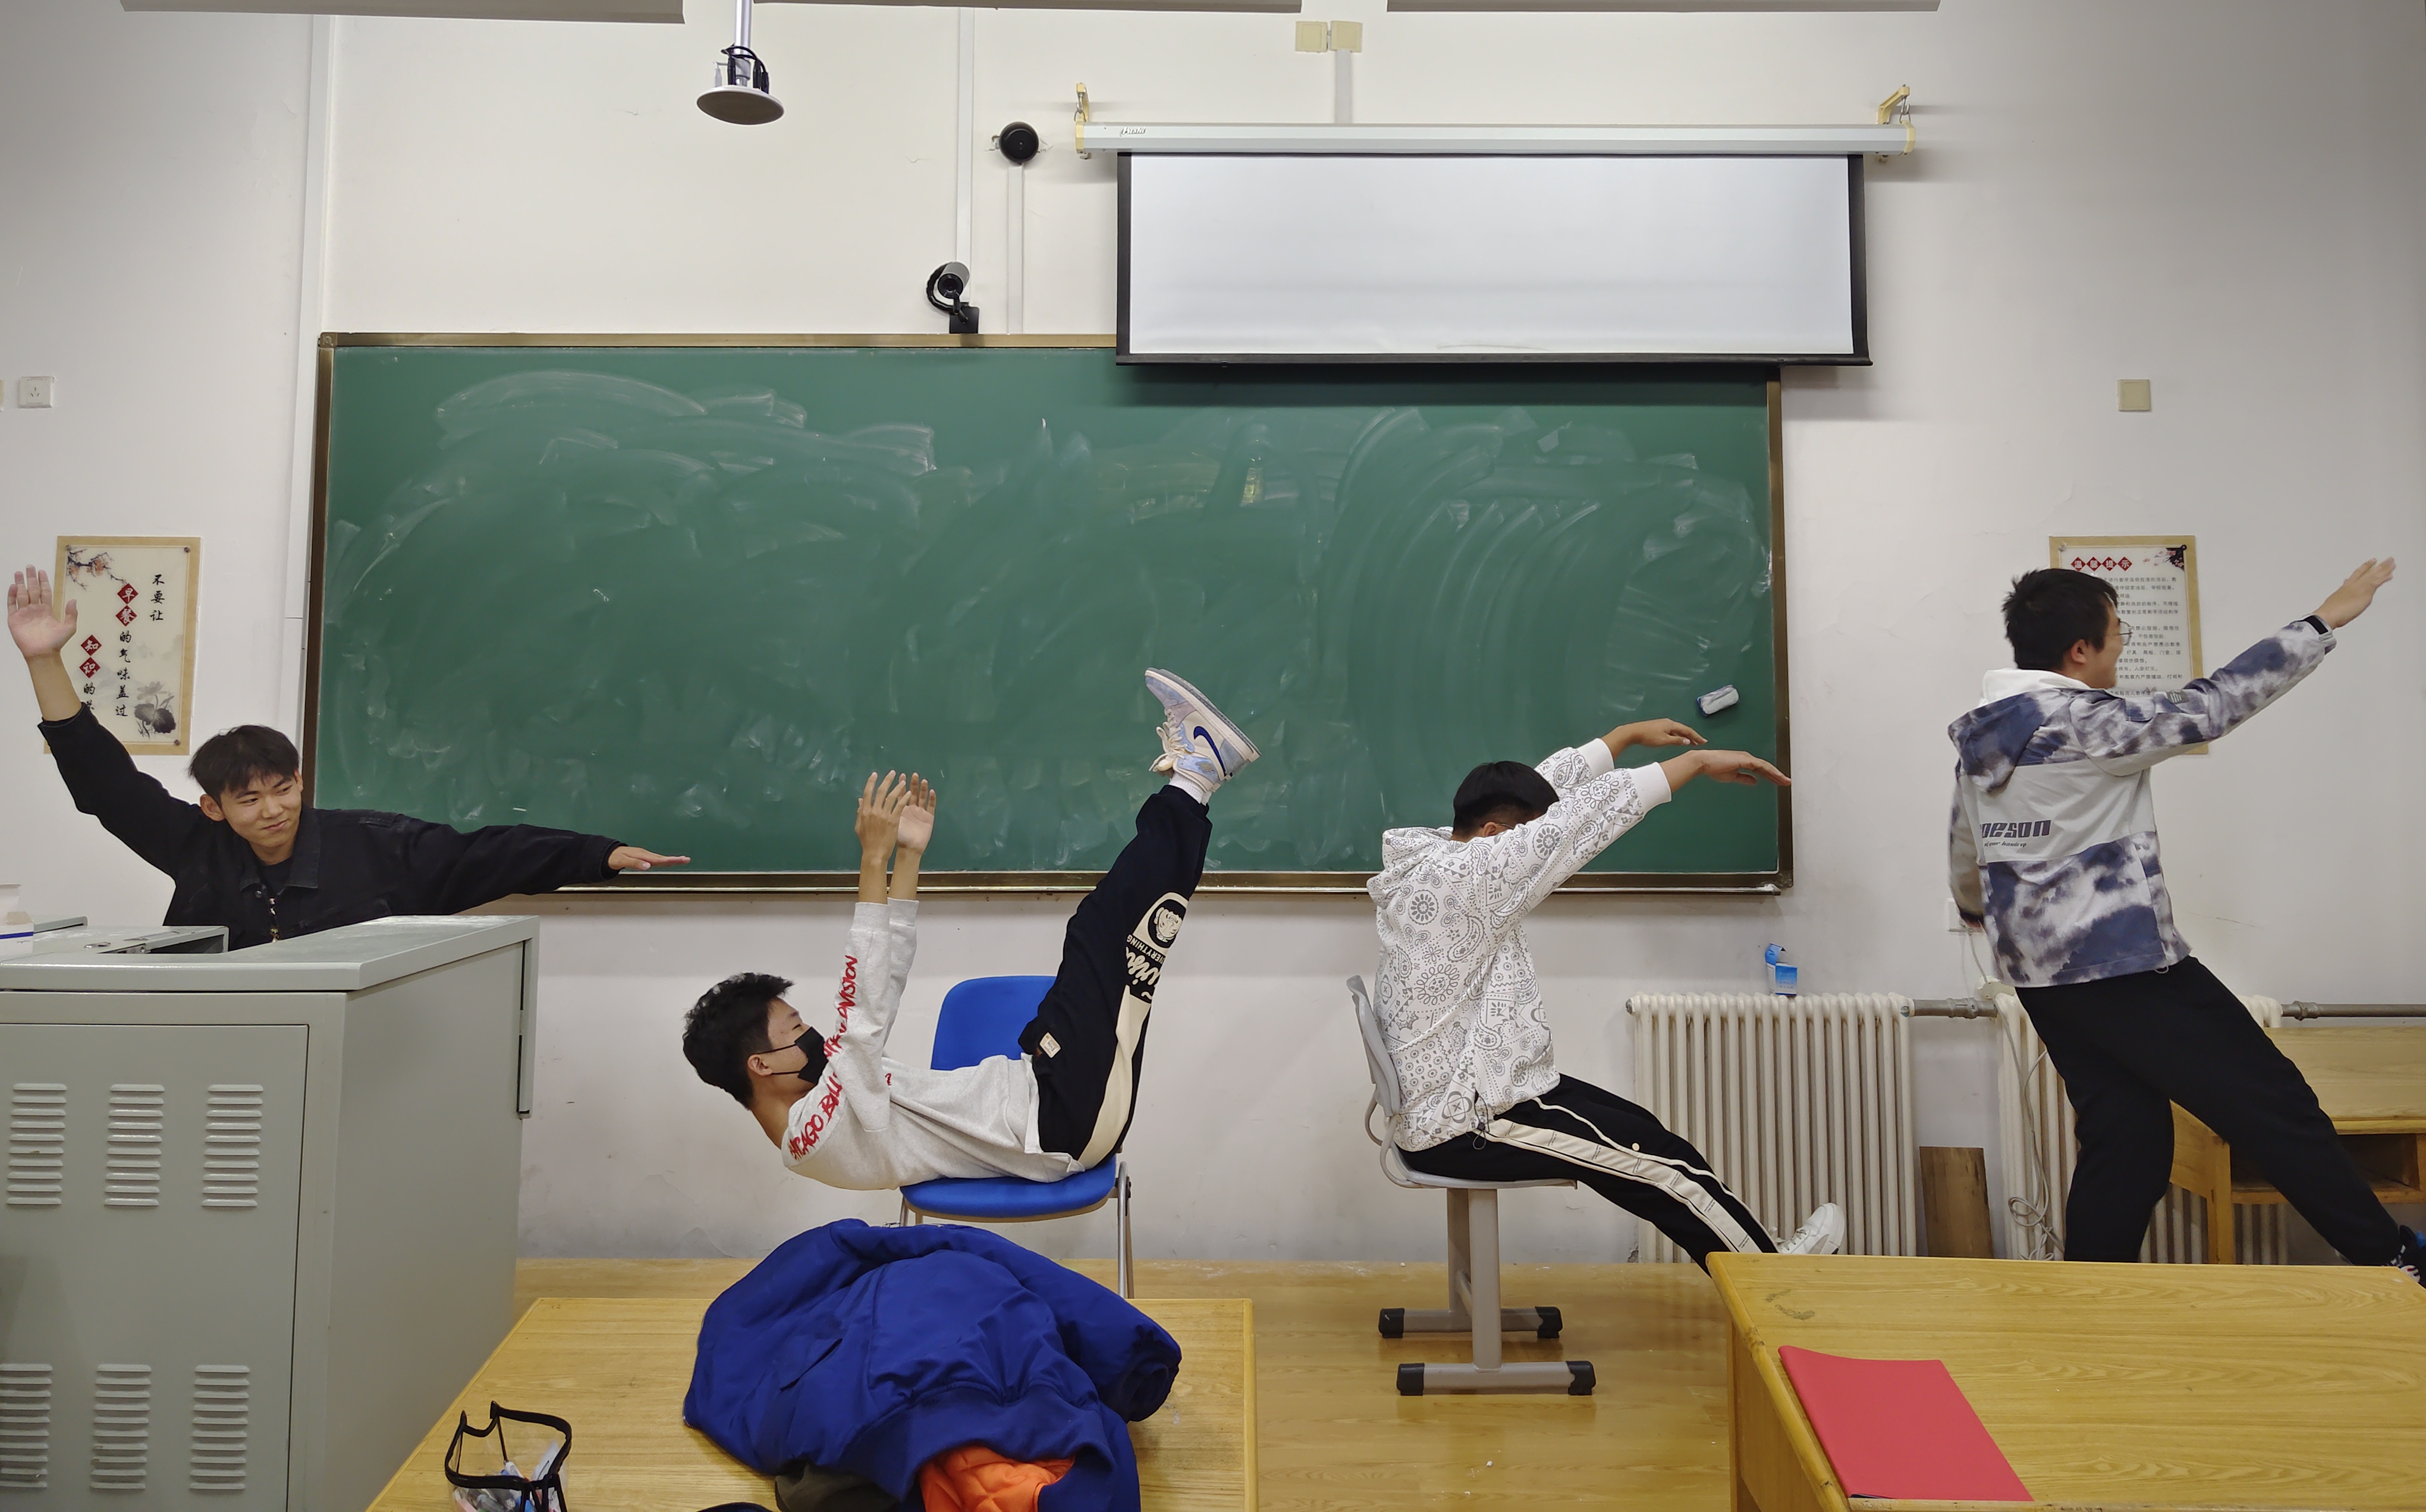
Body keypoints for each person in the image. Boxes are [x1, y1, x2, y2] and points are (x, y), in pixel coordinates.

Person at [1952, 557, 2426, 1277]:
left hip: (2041, 976)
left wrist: (1974, 908)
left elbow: (1966, 844)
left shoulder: (1981, 740)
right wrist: (2322, 621)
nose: (2122, 643)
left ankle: (2088, 1299)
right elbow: (2215, 704)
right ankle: (2391, 1260)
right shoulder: (2086, 722)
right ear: (2079, 651)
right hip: (2123, 966)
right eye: (2116, 632)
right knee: (2275, 1104)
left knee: (2128, 1137)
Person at [681, 669, 1252, 1190]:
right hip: (1058, 1122)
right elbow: (864, 1017)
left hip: (1042, 1091)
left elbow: (885, 981)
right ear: (761, 1066)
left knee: (1106, 937)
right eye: (796, 1028)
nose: (813, 1035)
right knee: (1106, 935)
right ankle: (1197, 776)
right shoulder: (814, 1136)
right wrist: (873, 860)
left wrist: (907, 858)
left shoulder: (824, 1101)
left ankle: (1196, 780)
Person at [9, 563, 685, 948]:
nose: (274, 810)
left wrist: (599, 854)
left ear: (301, 781)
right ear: (214, 808)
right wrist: (44, 661)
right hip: (216, 1036)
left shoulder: (375, 844)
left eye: (283, 788)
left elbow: (486, 853)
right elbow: (106, 784)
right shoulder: (194, 846)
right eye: (250, 799)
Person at [1369, 719, 1843, 1266]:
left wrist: (1624, 737)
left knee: (1647, 1135)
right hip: (1466, 1121)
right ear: (1495, 834)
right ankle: (1774, 1277)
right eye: (1524, 841)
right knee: (1664, 1168)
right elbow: (1577, 820)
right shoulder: (1470, 875)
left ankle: (1758, 1254)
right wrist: (1693, 764)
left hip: (1474, 1091)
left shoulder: (1439, 858)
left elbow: (1547, 796)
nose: (1534, 853)